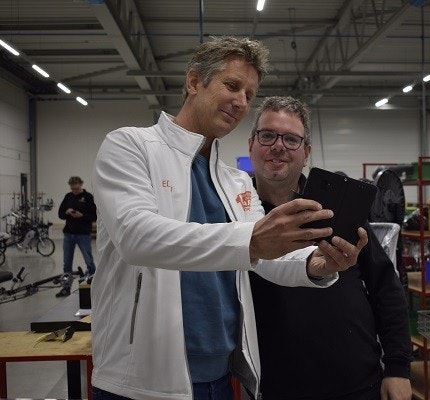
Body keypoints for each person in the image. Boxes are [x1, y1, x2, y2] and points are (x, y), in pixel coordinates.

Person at [90, 37, 367, 400]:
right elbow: (136, 236)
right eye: (232, 85)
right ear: (193, 82)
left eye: (249, 94)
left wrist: (316, 263)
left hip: (220, 376)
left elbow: (265, 257)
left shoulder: (233, 180)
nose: (241, 102)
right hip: (140, 380)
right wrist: (250, 240)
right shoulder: (130, 146)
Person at [248, 96, 413, 400]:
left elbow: (386, 288)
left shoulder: (337, 208)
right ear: (251, 145)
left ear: (306, 152)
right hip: (276, 388)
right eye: (268, 135)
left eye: (292, 139)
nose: (278, 146)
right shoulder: (236, 214)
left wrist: (398, 367)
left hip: (358, 383)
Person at [56, 176, 96, 297]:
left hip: (83, 234)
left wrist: (81, 215)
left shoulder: (88, 198)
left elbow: (94, 216)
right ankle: (66, 288)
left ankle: (94, 286)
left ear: (81, 185)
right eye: (72, 188)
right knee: (67, 262)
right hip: (69, 233)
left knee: (89, 261)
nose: (74, 190)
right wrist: (67, 212)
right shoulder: (68, 196)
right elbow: (60, 214)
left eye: (76, 188)